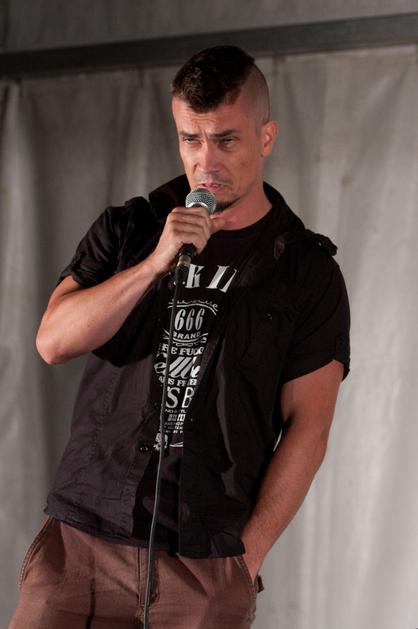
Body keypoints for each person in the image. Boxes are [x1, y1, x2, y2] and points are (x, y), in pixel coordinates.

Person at [9, 45, 350, 628]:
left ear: (266, 138)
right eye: (191, 139)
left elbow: (309, 427)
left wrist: (246, 557)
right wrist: (152, 264)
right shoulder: (130, 228)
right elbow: (53, 341)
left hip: (203, 560)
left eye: (226, 140)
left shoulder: (305, 271)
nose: (205, 162)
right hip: (83, 543)